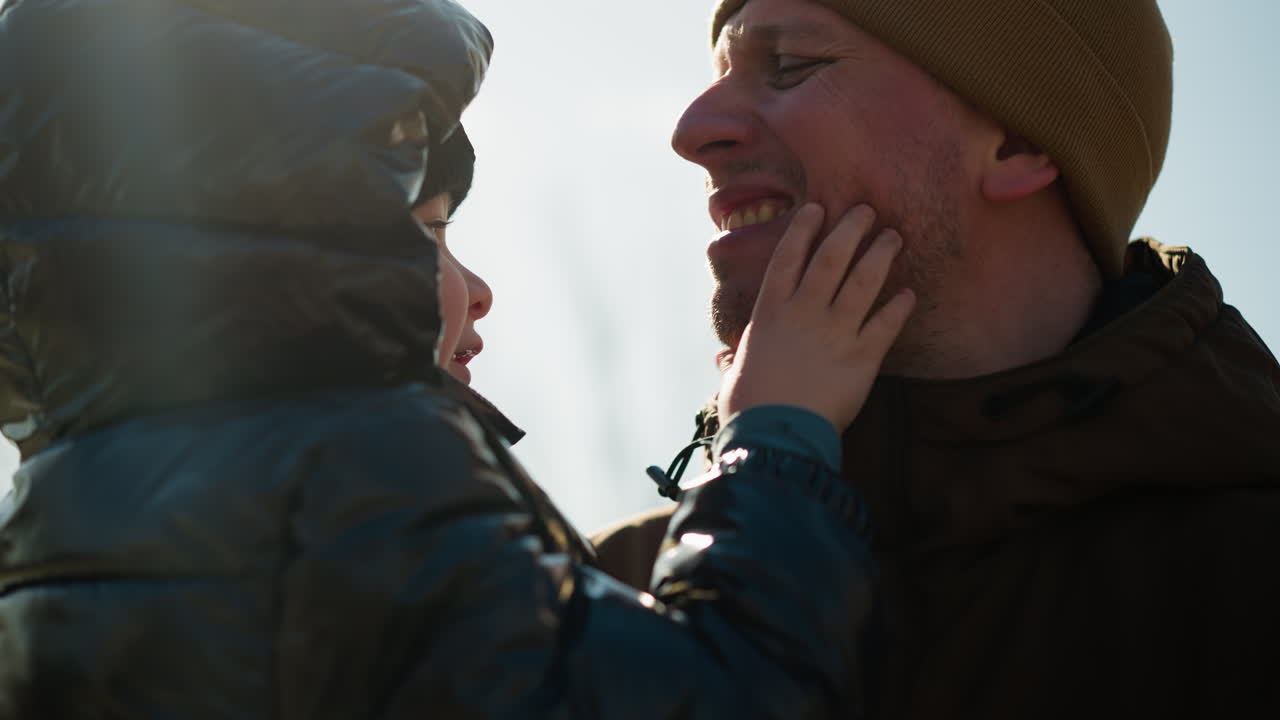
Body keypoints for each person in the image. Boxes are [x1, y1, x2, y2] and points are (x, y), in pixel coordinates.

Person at [0, 0, 908, 717]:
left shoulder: (54, 506)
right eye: (429, 230)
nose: (476, 291)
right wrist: (773, 435)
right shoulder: (355, 483)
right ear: (281, 246)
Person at [593, 1, 1280, 718]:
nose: (692, 132)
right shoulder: (598, 594)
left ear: (1014, 140)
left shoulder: (1252, 592)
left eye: (792, 65)